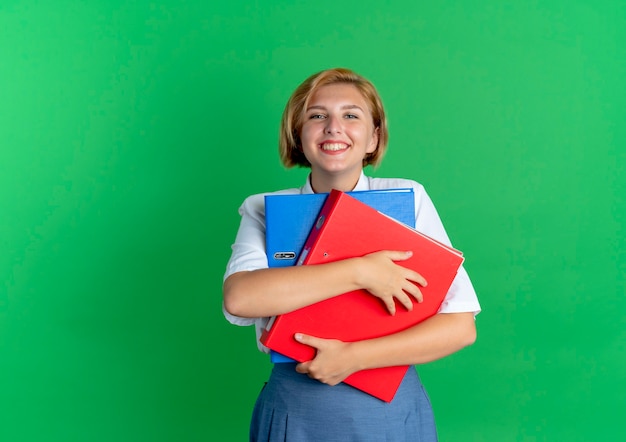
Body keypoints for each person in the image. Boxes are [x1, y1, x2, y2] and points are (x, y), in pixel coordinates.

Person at [222, 67, 481, 441]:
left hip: (389, 411)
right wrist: (361, 272)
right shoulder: (264, 207)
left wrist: (354, 358)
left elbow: (460, 327)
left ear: (374, 137)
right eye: (317, 116)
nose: (333, 127)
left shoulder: (408, 199)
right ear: (298, 135)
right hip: (296, 409)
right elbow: (241, 297)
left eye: (351, 115)